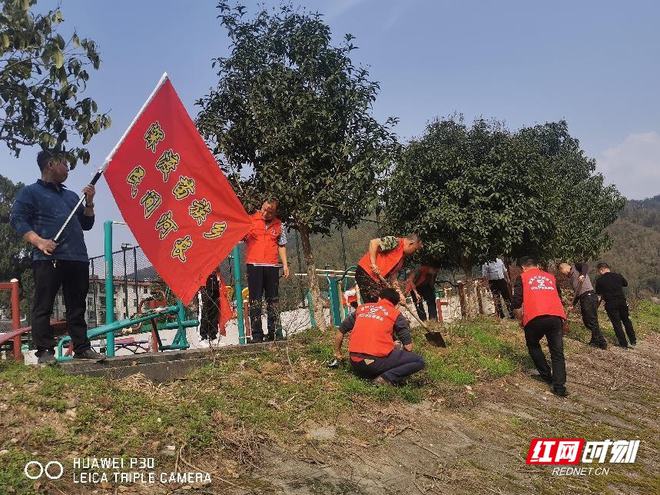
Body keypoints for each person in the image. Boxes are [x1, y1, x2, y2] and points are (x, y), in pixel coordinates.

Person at [9, 150, 105, 364]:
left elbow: (87, 224)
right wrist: (39, 241)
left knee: (78, 306)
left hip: (77, 257)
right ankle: (44, 351)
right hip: (47, 258)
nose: (68, 169)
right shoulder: (30, 192)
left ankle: (81, 347)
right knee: (43, 305)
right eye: (64, 163)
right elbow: (17, 220)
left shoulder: (71, 196)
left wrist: (89, 202)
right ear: (50, 164)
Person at [333, 288, 425, 385]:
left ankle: (375, 373)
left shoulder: (361, 309)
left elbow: (340, 331)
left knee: (391, 349)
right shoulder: (395, 314)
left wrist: (338, 352)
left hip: (355, 363)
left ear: (379, 298)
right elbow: (408, 347)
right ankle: (385, 378)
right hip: (373, 364)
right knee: (419, 361)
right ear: (396, 304)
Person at [512, 257, 568, 397]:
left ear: (523, 268)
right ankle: (559, 386)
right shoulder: (550, 277)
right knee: (557, 352)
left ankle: (546, 375)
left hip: (534, 317)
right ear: (537, 266)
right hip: (555, 316)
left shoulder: (522, 277)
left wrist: (520, 318)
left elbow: (517, 301)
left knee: (533, 345)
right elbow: (559, 297)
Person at [244, 199, 290, 343]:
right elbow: (239, 236)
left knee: (273, 300)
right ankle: (257, 335)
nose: (265, 213)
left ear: (275, 212)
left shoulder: (279, 225)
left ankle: (274, 333)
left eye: (269, 212)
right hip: (254, 265)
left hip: (272, 265)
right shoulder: (250, 220)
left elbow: (281, 245)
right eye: (264, 209)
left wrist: (285, 265)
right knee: (255, 300)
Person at [354, 234, 423, 303]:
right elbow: (373, 243)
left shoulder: (401, 258)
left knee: (385, 302)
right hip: (366, 272)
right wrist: (373, 264)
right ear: (411, 243)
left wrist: (399, 294)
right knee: (375, 304)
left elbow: (393, 276)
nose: (414, 252)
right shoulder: (395, 242)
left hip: (376, 280)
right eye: (415, 249)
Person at [558, 262, 607, 349]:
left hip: (588, 296)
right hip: (583, 297)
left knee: (590, 320)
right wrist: (572, 304)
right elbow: (577, 293)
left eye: (562, 272)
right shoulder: (571, 279)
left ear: (564, 268)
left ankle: (602, 342)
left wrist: (583, 275)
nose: (564, 275)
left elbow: (585, 265)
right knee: (589, 320)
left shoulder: (576, 267)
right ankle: (594, 340)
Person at [595, 263, 636, 348]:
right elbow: (625, 284)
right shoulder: (618, 276)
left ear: (601, 270)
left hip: (610, 304)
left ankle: (623, 344)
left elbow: (598, 292)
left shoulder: (600, 280)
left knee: (616, 324)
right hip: (622, 301)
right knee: (626, 320)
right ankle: (633, 340)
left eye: (598, 271)